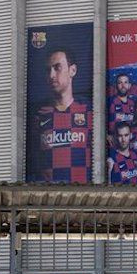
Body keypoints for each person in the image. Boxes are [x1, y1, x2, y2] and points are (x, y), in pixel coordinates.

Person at [30, 46, 89, 183]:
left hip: (84, 197)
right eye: (48, 70)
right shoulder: (37, 115)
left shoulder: (90, 111)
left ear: (72, 70)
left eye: (57, 68)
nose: (51, 75)